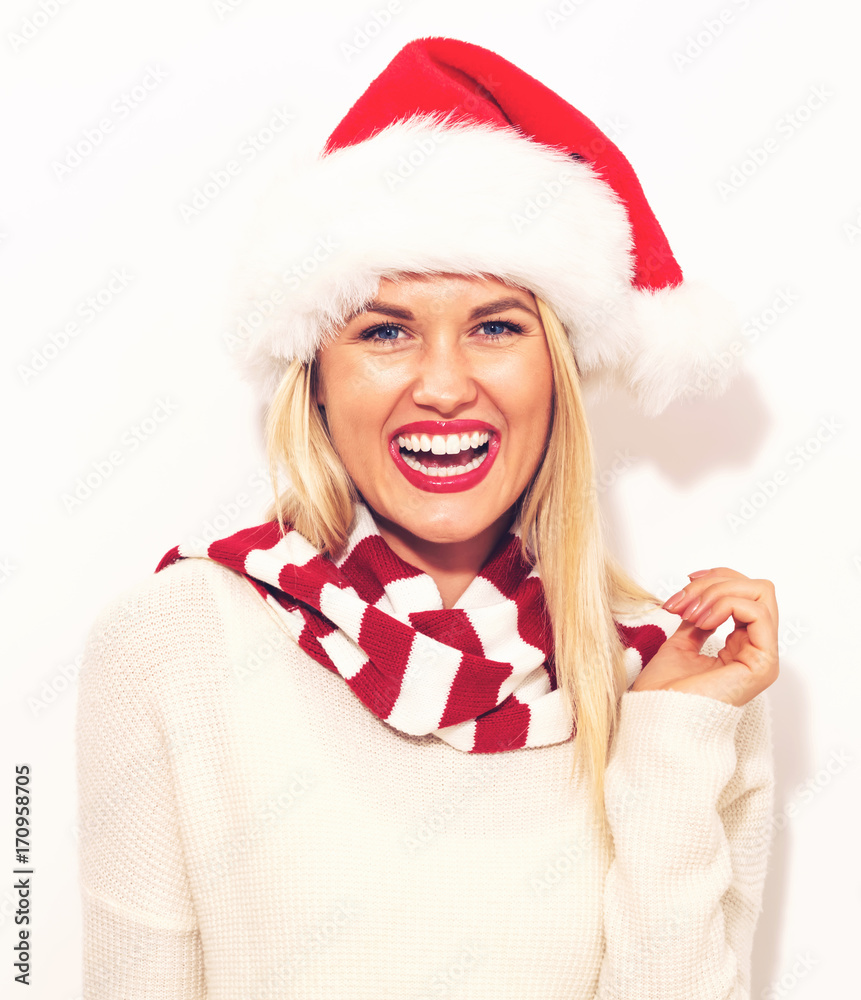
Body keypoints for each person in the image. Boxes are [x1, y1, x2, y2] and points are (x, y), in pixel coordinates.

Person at [75, 37, 778, 999]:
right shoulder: (179, 642)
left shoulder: (677, 682)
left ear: (559, 377)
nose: (444, 386)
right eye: (384, 330)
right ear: (316, 379)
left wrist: (665, 740)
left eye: (496, 326)